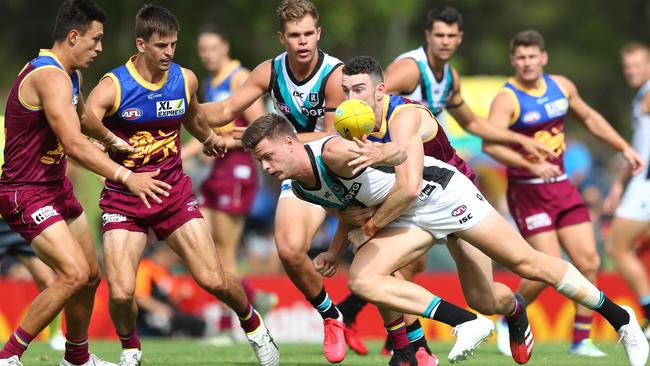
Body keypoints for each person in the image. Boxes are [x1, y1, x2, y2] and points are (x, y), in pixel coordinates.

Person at [244, 112, 649, 366]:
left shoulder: (334, 152)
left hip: (441, 194)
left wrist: (380, 158)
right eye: (259, 161)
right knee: (362, 280)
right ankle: (467, 324)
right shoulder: (299, 187)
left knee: (526, 265)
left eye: (267, 156)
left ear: (289, 143)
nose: (265, 167)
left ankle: (622, 320)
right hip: (407, 216)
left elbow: (398, 158)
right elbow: (345, 208)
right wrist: (335, 250)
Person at [83, 5, 279, 366]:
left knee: (214, 278)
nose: (169, 52)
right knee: (124, 292)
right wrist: (114, 176)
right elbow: (83, 143)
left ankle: (255, 328)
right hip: (124, 200)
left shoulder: (184, 79)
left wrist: (210, 138)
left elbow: (194, 118)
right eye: (161, 46)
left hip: (174, 194)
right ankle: (131, 352)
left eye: (173, 44)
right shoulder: (112, 87)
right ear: (141, 44)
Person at [333, 56, 535, 364]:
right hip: (411, 208)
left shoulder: (407, 109)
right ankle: (408, 350)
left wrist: (369, 227)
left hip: (453, 201)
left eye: (359, 89)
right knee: (375, 267)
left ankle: (514, 308)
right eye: (346, 91)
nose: (351, 99)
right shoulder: (353, 128)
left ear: (379, 90)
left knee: (484, 299)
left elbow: (411, 179)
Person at [0, 1, 171, 365]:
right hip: (25, 193)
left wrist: (112, 140)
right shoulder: (49, 77)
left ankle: (76, 358)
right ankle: (9, 356)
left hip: (55, 189)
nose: (100, 48)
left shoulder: (70, 75)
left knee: (91, 276)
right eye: (95, 40)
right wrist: (127, 176)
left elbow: (85, 119)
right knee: (72, 274)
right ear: (73, 36)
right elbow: (75, 142)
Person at [199, 0, 351, 362]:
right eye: (294, 35)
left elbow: (331, 137)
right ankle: (331, 316)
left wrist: (240, 139)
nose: (302, 42)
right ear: (282, 37)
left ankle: (411, 342)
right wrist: (169, 108)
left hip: (341, 168)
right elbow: (223, 110)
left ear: (319, 34)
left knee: (376, 257)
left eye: (308, 34)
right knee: (288, 249)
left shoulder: (334, 74)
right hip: (298, 172)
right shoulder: (269, 71)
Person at [482, 30, 644, 357]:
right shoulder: (508, 98)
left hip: (563, 188)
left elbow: (590, 118)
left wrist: (623, 146)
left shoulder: (562, 86)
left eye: (533, 56)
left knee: (590, 260)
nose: (527, 63)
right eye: (521, 58)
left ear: (544, 58)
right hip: (528, 192)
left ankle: (580, 341)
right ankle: (510, 318)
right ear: (513, 61)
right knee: (548, 266)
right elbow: (490, 145)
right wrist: (530, 164)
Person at [182, 23, 277, 335]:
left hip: (237, 172)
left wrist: (225, 142)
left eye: (213, 48)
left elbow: (260, 127)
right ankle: (254, 297)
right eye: (203, 50)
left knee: (224, 252)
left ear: (225, 47)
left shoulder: (239, 77)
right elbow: (210, 133)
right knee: (197, 242)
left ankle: (229, 327)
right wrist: (183, 153)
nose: (208, 55)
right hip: (216, 172)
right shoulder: (210, 82)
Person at [604, 42, 650, 338]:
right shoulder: (641, 96)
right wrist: (618, 185)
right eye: (627, 66)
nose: (631, 71)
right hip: (638, 183)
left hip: (646, 188)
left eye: (638, 64)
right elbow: (637, 149)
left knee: (617, 247)